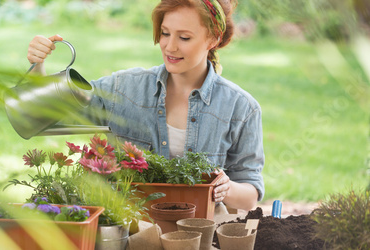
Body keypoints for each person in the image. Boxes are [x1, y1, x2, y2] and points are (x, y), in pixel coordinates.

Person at [26, 0, 264, 212]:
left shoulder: (241, 108)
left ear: (213, 39)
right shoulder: (123, 89)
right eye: (164, 33)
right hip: (128, 227)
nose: (170, 47)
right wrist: (38, 66)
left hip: (199, 231)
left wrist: (226, 188)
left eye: (184, 37)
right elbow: (45, 115)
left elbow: (250, 194)